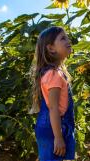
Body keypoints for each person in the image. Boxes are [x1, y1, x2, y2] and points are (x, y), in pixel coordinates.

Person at [30, 26, 76, 161]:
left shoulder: (55, 72)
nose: (68, 40)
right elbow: (53, 108)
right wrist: (58, 137)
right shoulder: (53, 74)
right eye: (63, 38)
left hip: (52, 126)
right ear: (51, 48)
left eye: (67, 37)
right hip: (53, 128)